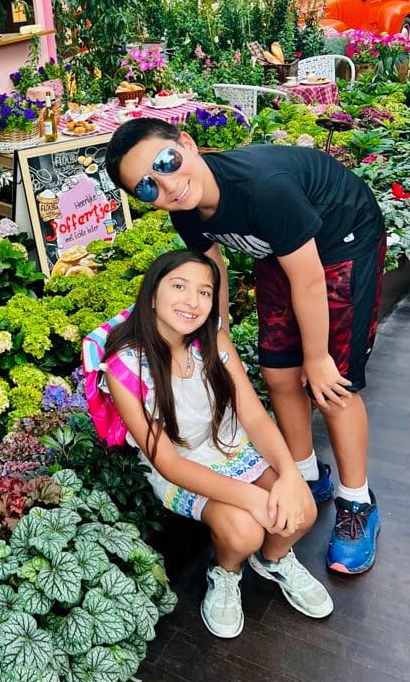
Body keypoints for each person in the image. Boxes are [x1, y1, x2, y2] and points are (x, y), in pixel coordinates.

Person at [105, 119, 386, 575]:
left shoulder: (264, 190)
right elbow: (210, 267)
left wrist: (316, 358)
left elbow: (310, 279)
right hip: (279, 251)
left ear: (187, 144)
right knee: (277, 374)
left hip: (341, 240)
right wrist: (218, 336)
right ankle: (305, 473)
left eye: (166, 164)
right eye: (147, 188)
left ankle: (356, 502)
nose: (168, 186)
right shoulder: (185, 206)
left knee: (332, 384)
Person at [90, 249, 332, 638]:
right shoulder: (126, 367)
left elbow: (252, 415)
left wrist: (289, 474)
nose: (192, 301)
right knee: (245, 530)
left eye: (205, 292)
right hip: (184, 469)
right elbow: (168, 462)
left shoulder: (212, 341)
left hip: (231, 449)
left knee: (301, 508)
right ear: (152, 293)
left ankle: (273, 559)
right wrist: (252, 498)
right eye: (180, 286)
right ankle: (226, 571)